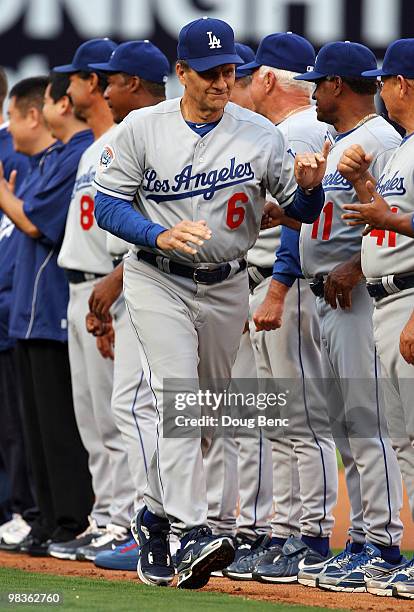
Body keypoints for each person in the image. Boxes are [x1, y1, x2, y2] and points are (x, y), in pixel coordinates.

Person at [93, 16, 328, 590]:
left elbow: (296, 209)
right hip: (158, 277)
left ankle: (151, 515)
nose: (222, 81)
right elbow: (108, 205)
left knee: (204, 418)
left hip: (227, 283)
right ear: (180, 73)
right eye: (209, 72)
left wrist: (313, 187)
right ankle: (192, 530)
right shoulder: (144, 128)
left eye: (228, 71)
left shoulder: (257, 132)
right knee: (177, 398)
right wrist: (155, 235)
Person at [266, 41, 406, 593]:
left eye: (318, 83)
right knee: (349, 425)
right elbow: (316, 215)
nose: (311, 91)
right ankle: (366, 540)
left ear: (338, 86)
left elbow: (393, 216)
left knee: (366, 423)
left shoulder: (380, 140)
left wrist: (353, 264)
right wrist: (291, 203)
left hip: (358, 296)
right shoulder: (341, 140)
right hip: (326, 293)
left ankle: (384, 544)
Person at [223, 32, 338, 584]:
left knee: (300, 421)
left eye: (244, 77)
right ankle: (285, 532)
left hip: (287, 286)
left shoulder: (295, 131)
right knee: (282, 422)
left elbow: (300, 219)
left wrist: (276, 288)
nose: (236, 88)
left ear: (267, 79)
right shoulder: (293, 130)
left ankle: (307, 536)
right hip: (276, 283)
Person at [49, 38, 136, 563]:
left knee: (117, 415)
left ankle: (125, 518)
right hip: (79, 288)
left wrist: (114, 306)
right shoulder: (89, 148)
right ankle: (104, 516)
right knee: (93, 421)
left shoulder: (127, 141)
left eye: (79, 79)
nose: (73, 87)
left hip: (112, 291)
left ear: (96, 85)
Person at [85, 39, 170, 572]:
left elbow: (168, 215)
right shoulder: (145, 131)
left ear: (134, 83)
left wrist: (118, 277)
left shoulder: (160, 130)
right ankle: (162, 524)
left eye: (111, 82)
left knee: (145, 407)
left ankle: (156, 526)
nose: (104, 91)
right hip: (146, 275)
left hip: (162, 277)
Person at [1, 74, 94, 556]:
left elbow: (36, 221)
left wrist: (3, 193)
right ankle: (47, 519)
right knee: (35, 425)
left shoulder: (80, 151)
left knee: (63, 426)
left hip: (58, 307)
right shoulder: (55, 155)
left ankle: (71, 519)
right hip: (31, 311)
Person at [338, 37, 414, 600]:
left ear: (403, 85)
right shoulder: (403, 149)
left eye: (385, 80)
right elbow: (389, 220)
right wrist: (366, 186)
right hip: (387, 301)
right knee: (404, 439)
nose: (380, 89)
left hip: (410, 299)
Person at [0, 66, 35, 549]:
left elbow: (29, 224)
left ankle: (20, 508)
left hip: (14, 299)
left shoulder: (17, 147)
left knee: (14, 420)